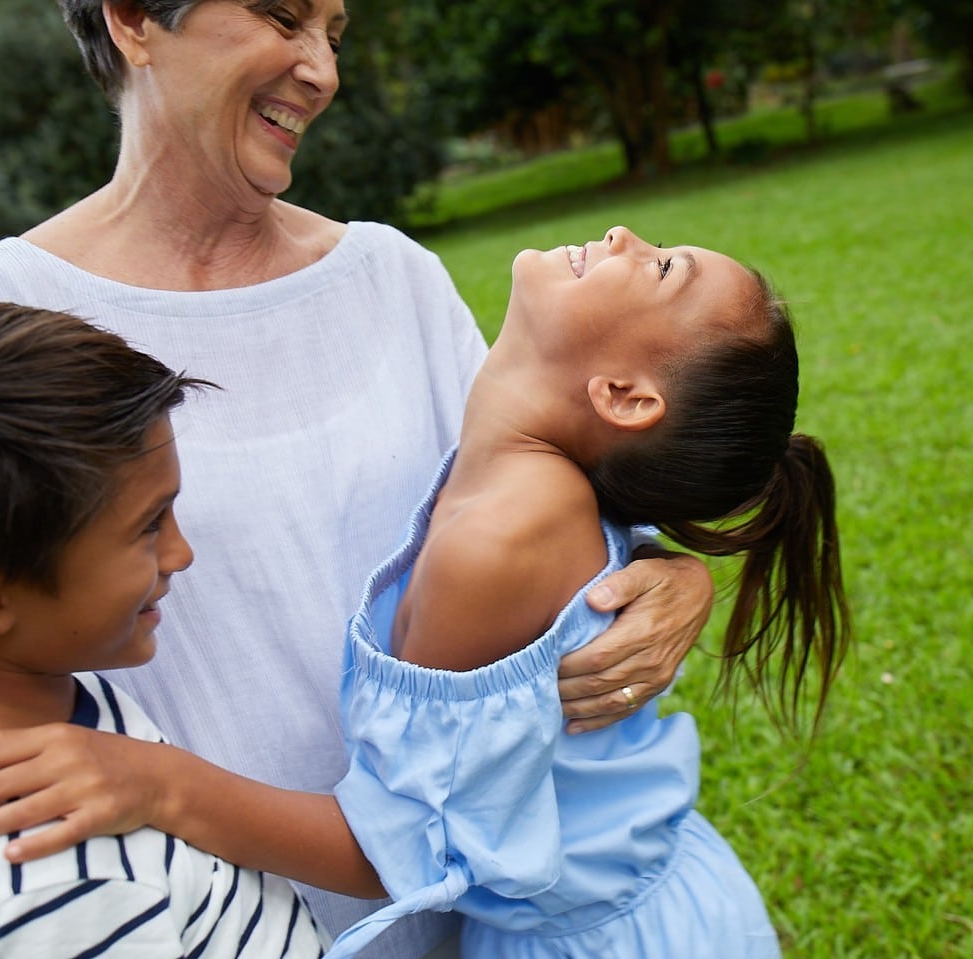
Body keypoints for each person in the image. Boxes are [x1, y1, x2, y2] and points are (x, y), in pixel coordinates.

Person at [0, 2, 711, 954]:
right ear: (133, 20)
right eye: (282, 16)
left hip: (475, 917)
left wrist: (672, 574)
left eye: (335, 33)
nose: (321, 69)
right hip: (179, 925)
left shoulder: (391, 279)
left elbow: (544, 498)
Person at [324, 226, 852, 957]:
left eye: (662, 267)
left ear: (626, 398)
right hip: (659, 908)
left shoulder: (499, 537)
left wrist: (165, 788)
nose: (623, 236)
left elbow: (410, 844)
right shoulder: (545, 489)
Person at [0, 300, 329, 957]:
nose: (180, 553)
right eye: (149, 524)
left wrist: (162, 782)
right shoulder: (52, 877)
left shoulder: (54, 699)